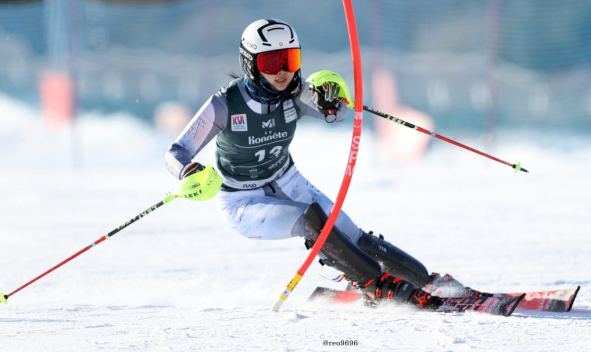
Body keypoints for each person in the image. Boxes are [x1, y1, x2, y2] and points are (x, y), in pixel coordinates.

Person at [165, 18, 468, 309]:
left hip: (288, 180)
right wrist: (188, 171)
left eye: (290, 59)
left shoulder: (296, 93)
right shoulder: (224, 104)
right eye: (271, 62)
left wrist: (332, 99)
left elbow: (336, 115)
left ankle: (424, 281)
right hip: (242, 201)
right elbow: (176, 152)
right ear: (251, 63)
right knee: (314, 221)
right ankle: (378, 286)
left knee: (350, 233)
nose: (283, 71)